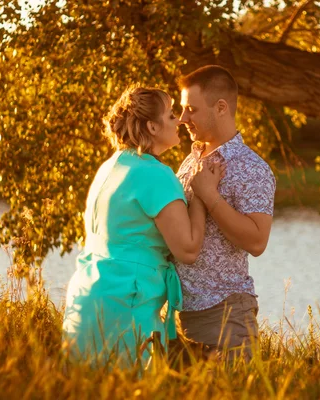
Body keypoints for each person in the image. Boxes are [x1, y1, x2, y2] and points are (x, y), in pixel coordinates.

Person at [62, 86, 224, 367]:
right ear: (152, 126)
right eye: (171, 115)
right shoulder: (155, 175)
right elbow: (187, 250)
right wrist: (201, 195)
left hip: (86, 302)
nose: (180, 121)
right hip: (124, 308)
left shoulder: (110, 166)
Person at [175, 65, 276, 361]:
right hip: (181, 318)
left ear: (220, 107)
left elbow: (257, 242)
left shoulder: (252, 168)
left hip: (224, 318)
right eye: (182, 110)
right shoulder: (188, 162)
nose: (182, 119)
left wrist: (210, 196)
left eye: (190, 109)